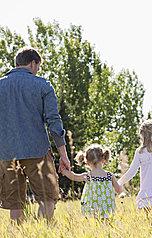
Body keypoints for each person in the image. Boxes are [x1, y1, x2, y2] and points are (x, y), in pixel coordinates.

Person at [0, 47, 71, 222]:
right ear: (33, 63)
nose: (37, 70)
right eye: (38, 66)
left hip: (7, 153)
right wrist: (63, 155)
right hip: (37, 150)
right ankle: (42, 236)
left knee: (16, 204)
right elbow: (54, 122)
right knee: (47, 198)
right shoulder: (42, 85)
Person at [62, 144, 123, 218]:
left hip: (91, 208)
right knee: (106, 225)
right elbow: (119, 190)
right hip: (107, 208)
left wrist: (64, 171)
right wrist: (121, 184)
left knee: (93, 224)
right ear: (103, 158)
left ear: (86, 161)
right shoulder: (109, 176)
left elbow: (74, 176)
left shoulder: (88, 176)